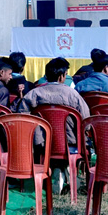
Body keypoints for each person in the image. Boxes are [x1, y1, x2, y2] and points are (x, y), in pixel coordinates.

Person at [19, 57, 91, 193]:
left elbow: (23, 117)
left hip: (42, 144)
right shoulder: (73, 94)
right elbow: (86, 120)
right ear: (61, 77)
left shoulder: (34, 93)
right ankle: (66, 170)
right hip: (70, 144)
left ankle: (58, 170)